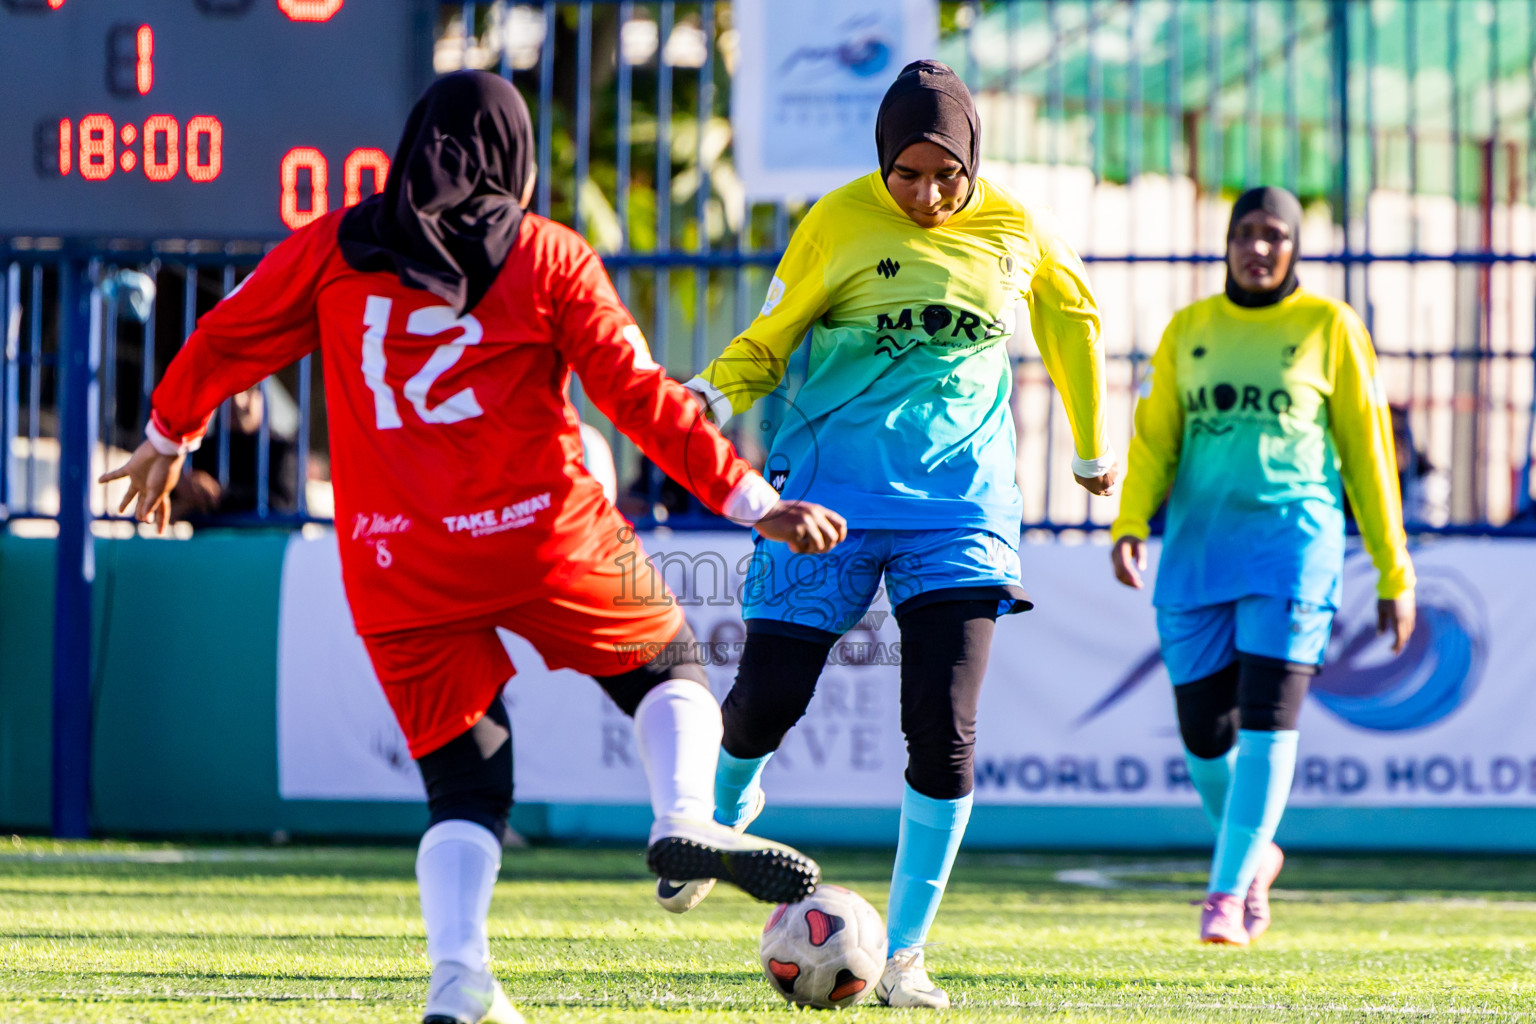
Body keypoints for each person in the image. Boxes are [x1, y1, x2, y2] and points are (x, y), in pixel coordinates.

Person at [100, 71, 847, 1024]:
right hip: (547, 536)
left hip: (392, 562)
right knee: (671, 658)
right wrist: (749, 497)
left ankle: (458, 977)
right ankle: (683, 817)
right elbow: (638, 396)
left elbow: (225, 336)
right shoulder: (547, 256)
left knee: (464, 784)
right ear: (518, 161)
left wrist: (168, 436)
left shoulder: (335, 245)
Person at [662, 60, 1116, 1008]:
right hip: (826, 499)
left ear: (970, 159)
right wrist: (714, 390)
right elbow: (773, 335)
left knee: (942, 730)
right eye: (906, 173)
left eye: (944, 173)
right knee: (766, 703)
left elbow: (1073, 319)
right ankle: (720, 820)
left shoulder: (1016, 226)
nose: (926, 193)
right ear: (882, 162)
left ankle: (903, 955)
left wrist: (1089, 445)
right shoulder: (836, 220)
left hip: (960, 513)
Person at [1110, 186, 1416, 946]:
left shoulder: (1329, 328)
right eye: (1245, 232)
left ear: (1295, 247)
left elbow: (1367, 456)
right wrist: (1128, 519)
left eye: (1274, 234)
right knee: (1204, 738)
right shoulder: (1189, 330)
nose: (1258, 247)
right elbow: (1155, 441)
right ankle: (1256, 854)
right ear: (1226, 242)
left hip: (1293, 547)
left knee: (1270, 726)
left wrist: (1393, 570)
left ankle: (1224, 894)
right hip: (1196, 555)